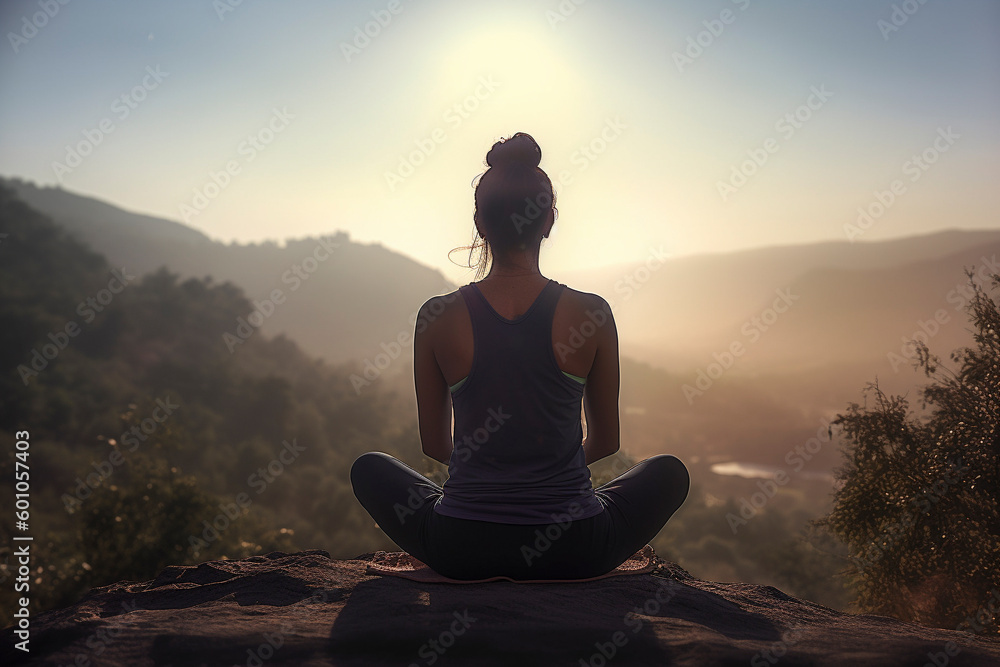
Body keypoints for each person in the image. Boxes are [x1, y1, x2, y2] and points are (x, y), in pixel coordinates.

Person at [351, 132, 689, 580]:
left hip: (462, 544)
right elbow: (606, 441)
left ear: (479, 223)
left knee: (370, 468)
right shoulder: (592, 313)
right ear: (548, 221)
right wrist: (546, 471)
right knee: (668, 472)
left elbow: (435, 446)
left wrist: (492, 472)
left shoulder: (435, 316)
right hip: (575, 545)